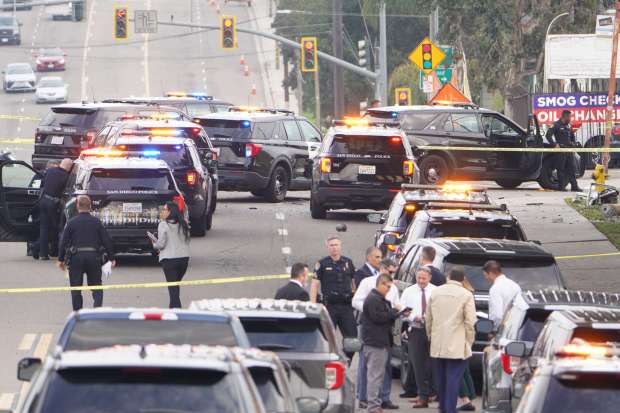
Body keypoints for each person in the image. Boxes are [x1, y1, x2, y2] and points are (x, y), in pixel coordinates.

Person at [426, 268, 476, 413]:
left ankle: (443, 408)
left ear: (449, 277)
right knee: (453, 379)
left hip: (438, 342)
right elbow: (470, 322)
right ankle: (449, 409)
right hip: (457, 343)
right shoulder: (466, 295)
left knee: (441, 379)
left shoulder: (435, 292)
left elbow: (428, 318)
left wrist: (430, 335)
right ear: (462, 279)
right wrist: (469, 341)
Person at [352, 259, 400, 410]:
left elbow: (395, 304)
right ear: (383, 269)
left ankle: (383, 398)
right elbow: (358, 302)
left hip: (385, 332)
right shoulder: (368, 284)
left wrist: (398, 312)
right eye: (390, 271)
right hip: (371, 332)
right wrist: (382, 311)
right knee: (367, 367)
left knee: (385, 367)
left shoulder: (392, 287)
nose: (392, 275)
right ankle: (365, 398)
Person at [361, 274, 410, 413]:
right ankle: (373, 406)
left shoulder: (379, 299)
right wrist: (395, 311)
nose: (389, 290)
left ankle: (375, 404)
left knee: (378, 375)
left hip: (381, 341)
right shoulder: (373, 299)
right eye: (387, 287)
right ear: (381, 284)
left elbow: (384, 317)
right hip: (375, 342)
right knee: (375, 376)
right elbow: (379, 318)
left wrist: (398, 314)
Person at [57, 195, 115, 311]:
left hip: (76, 258)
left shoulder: (72, 223)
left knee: (76, 288)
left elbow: (63, 241)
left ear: (77, 206)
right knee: (96, 286)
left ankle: (78, 313)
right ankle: (97, 310)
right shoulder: (96, 222)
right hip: (94, 257)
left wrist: (60, 259)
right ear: (90, 206)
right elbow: (106, 240)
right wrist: (111, 258)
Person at [310, 235, 357, 356]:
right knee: (326, 338)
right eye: (331, 245)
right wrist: (312, 305)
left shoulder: (348, 262)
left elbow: (354, 283)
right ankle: (329, 363)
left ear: (340, 246)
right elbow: (314, 285)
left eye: (336, 245)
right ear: (328, 247)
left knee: (352, 339)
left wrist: (356, 300)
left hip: (346, 306)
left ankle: (346, 361)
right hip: (330, 307)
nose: (334, 248)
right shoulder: (322, 264)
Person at [400, 267, 437, 408]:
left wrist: (428, 317)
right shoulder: (409, 291)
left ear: (430, 278)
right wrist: (411, 316)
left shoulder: (436, 291)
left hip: (432, 330)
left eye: (424, 278)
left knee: (432, 363)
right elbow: (402, 310)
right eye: (418, 278)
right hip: (415, 329)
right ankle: (422, 395)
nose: (421, 281)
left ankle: (432, 392)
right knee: (417, 364)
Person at [150, 201, 191, 309]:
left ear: (170, 212)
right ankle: (172, 307)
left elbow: (161, 244)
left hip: (169, 260)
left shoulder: (163, 224)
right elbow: (187, 240)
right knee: (175, 285)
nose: (162, 212)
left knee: (172, 288)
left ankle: (177, 310)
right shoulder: (184, 224)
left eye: (164, 209)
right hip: (184, 259)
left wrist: (154, 243)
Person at [33, 158, 72, 260]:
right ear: (68, 167)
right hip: (53, 204)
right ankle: (38, 247)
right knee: (55, 228)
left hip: (43, 200)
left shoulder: (50, 171)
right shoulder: (67, 177)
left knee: (44, 228)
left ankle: (42, 253)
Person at [545, 109, 582, 192]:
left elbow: (572, 136)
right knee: (560, 169)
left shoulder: (568, 125)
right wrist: (555, 144)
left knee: (571, 169)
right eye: (569, 117)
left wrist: (573, 143)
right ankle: (561, 187)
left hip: (569, 150)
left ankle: (574, 186)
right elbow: (548, 135)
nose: (570, 119)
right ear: (565, 117)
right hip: (561, 150)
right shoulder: (556, 125)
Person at [483, 260, 522, 327]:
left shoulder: (495, 288)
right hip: (516, 326)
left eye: (486, 275)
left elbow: (496, 314)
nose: (486, 278)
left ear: (490, 273)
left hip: (502, 328)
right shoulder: (515, 285)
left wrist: (493, 329)